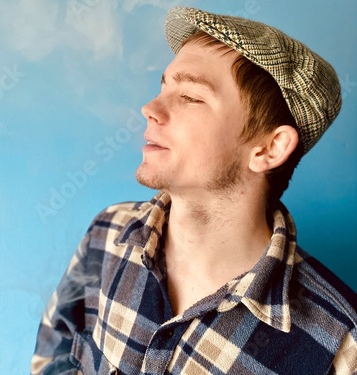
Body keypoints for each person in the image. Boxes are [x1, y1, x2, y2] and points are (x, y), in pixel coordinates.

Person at [31, 6, 356, 375]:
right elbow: (53, 358)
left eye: (191, 97)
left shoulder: (341, 345)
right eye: (164, 87)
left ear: (269, 148)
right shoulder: (107, 233)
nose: (150, 108)